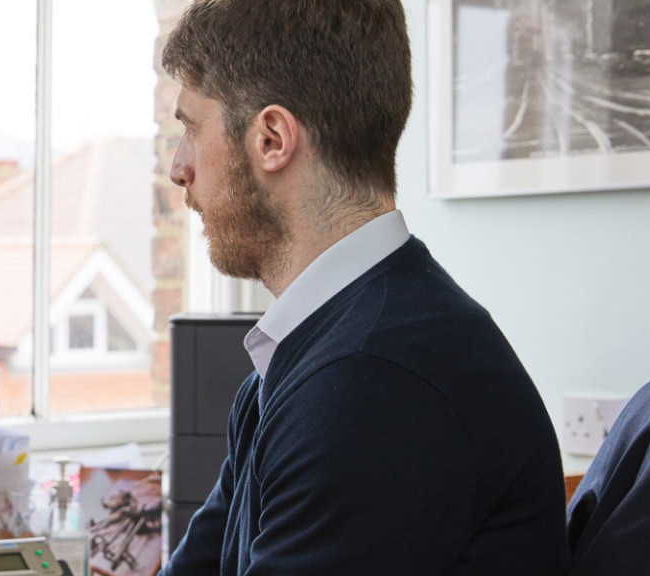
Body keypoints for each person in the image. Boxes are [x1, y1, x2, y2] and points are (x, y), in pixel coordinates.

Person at [156, 1, 566, 574]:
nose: (179, 167)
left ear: (272, 138)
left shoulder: (370, 384)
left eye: (191, 129)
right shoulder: (309, 360)